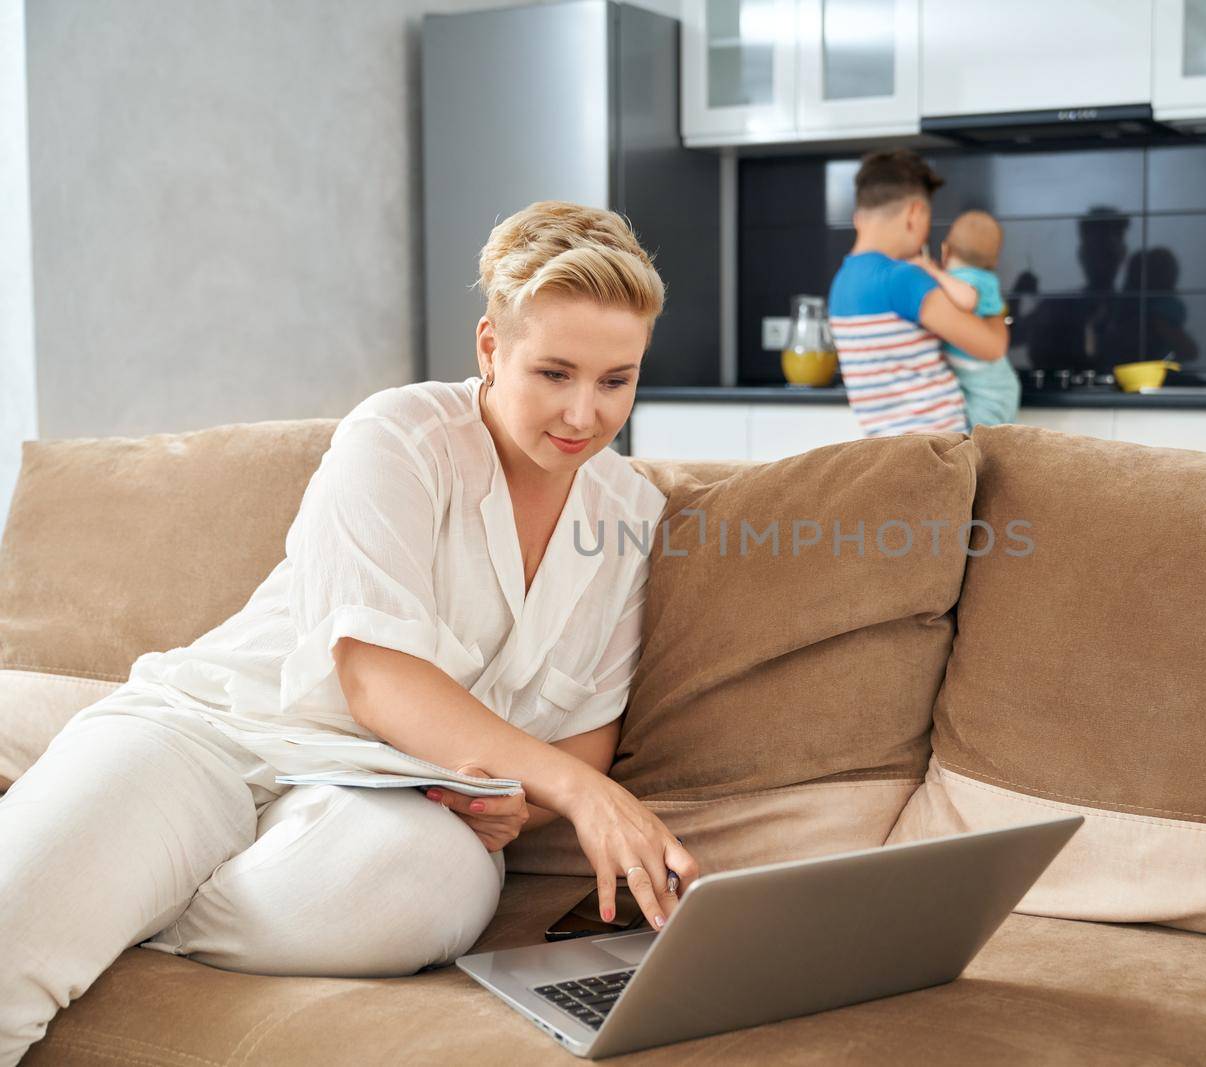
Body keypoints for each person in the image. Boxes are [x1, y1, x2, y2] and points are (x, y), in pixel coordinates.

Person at [0, 200, 699, 1066]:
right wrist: (582, 795)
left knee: (434, 890)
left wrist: (515, 797)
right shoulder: (399, 436)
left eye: (615, 381)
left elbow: (585, 728)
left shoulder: (628, 512)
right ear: (490, 346)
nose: (584, 415)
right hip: (217, 734)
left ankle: (121, 900)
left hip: (389, 800)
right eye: (554, 373)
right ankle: (86, 877)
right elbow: (376, 676)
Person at [827, 148, 1008, 437]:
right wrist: (991, 300)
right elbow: (991, 347)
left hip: (888, 453)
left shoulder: (841, 283)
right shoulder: (902, 279)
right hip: (941, 451)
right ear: (915, 213)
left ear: (859, 216)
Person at [914, 209, 1020, 427]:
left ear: (945, 251)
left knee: (980, 441)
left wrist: (934, 272)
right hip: (988, 380)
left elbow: (967, 299)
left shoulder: (971, 279)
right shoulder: (985, 278)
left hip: (989, 384)